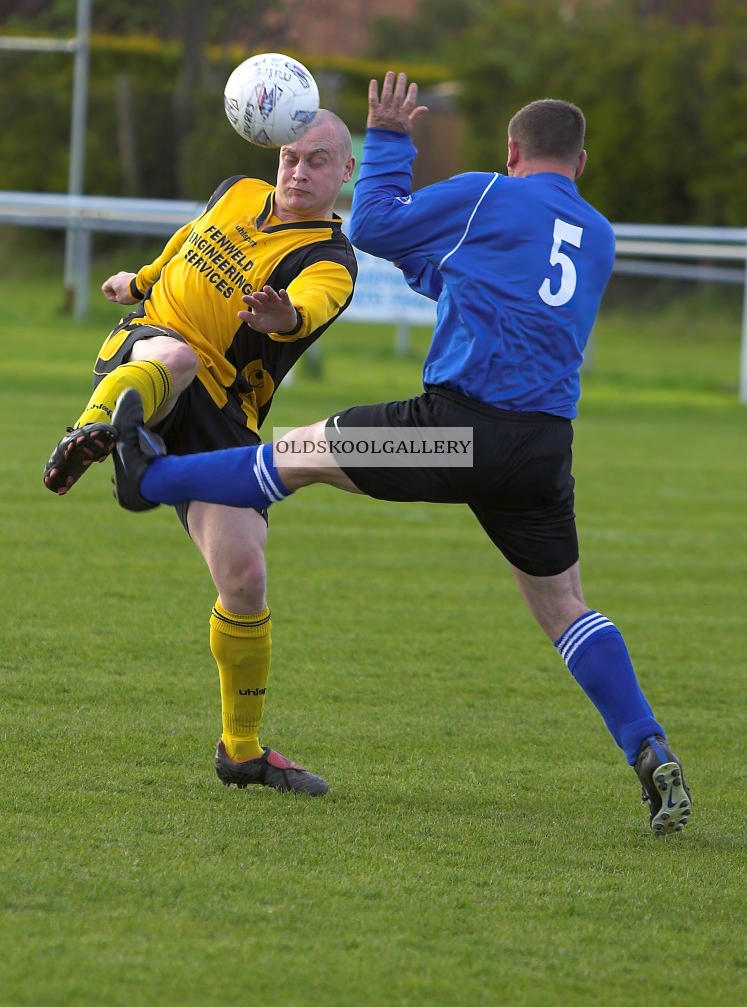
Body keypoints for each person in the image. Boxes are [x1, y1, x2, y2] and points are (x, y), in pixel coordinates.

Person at [110, 72, 692, 834]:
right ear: (578, 166)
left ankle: (146, 474)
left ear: (511, 152)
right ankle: (647, 745)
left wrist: (387, 140)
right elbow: (475, 281)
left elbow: (377, 224)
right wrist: (435, 264)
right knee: (564, 607)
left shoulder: (491, 191)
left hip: (453, 429)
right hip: (543, 449)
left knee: (295, 455)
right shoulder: (598, 234)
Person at [43, 109, 358, 795]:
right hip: (153, 347)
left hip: (226, 411)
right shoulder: (234, 192)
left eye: (317, 161)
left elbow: (307, 308)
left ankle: (241, 751)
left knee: (244, 576)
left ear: (345, 172)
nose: (299, 171)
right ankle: (94, 434)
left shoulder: (329, 261)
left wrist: (281, 316)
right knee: (176, 354)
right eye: (291, 157)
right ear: (276, 157)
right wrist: (139, 281)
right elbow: (183, 248)